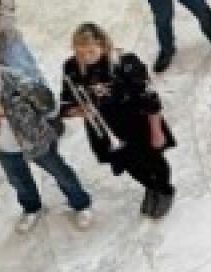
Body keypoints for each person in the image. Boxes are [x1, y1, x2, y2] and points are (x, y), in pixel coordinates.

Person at [0, 39, 93, 234]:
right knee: (19, 181)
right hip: (2, 146)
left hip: (35, 140)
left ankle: (81, 204)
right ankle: (31, 208)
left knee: (61, 173)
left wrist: (36, 102)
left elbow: (48, 106)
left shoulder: (16, 79)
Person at [60, 23, 176, 218]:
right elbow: (65, 102)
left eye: (91, 52)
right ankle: (150, 185)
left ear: (103, 45)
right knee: (128, 163)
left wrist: (157, 131)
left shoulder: (125, 62)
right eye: (80, 53)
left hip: (136, 120)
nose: (85, 58)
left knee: (153, 159)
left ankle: (164, 190)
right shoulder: (71, 68)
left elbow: (150, 98)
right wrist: (77, 111)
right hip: (105, 127)